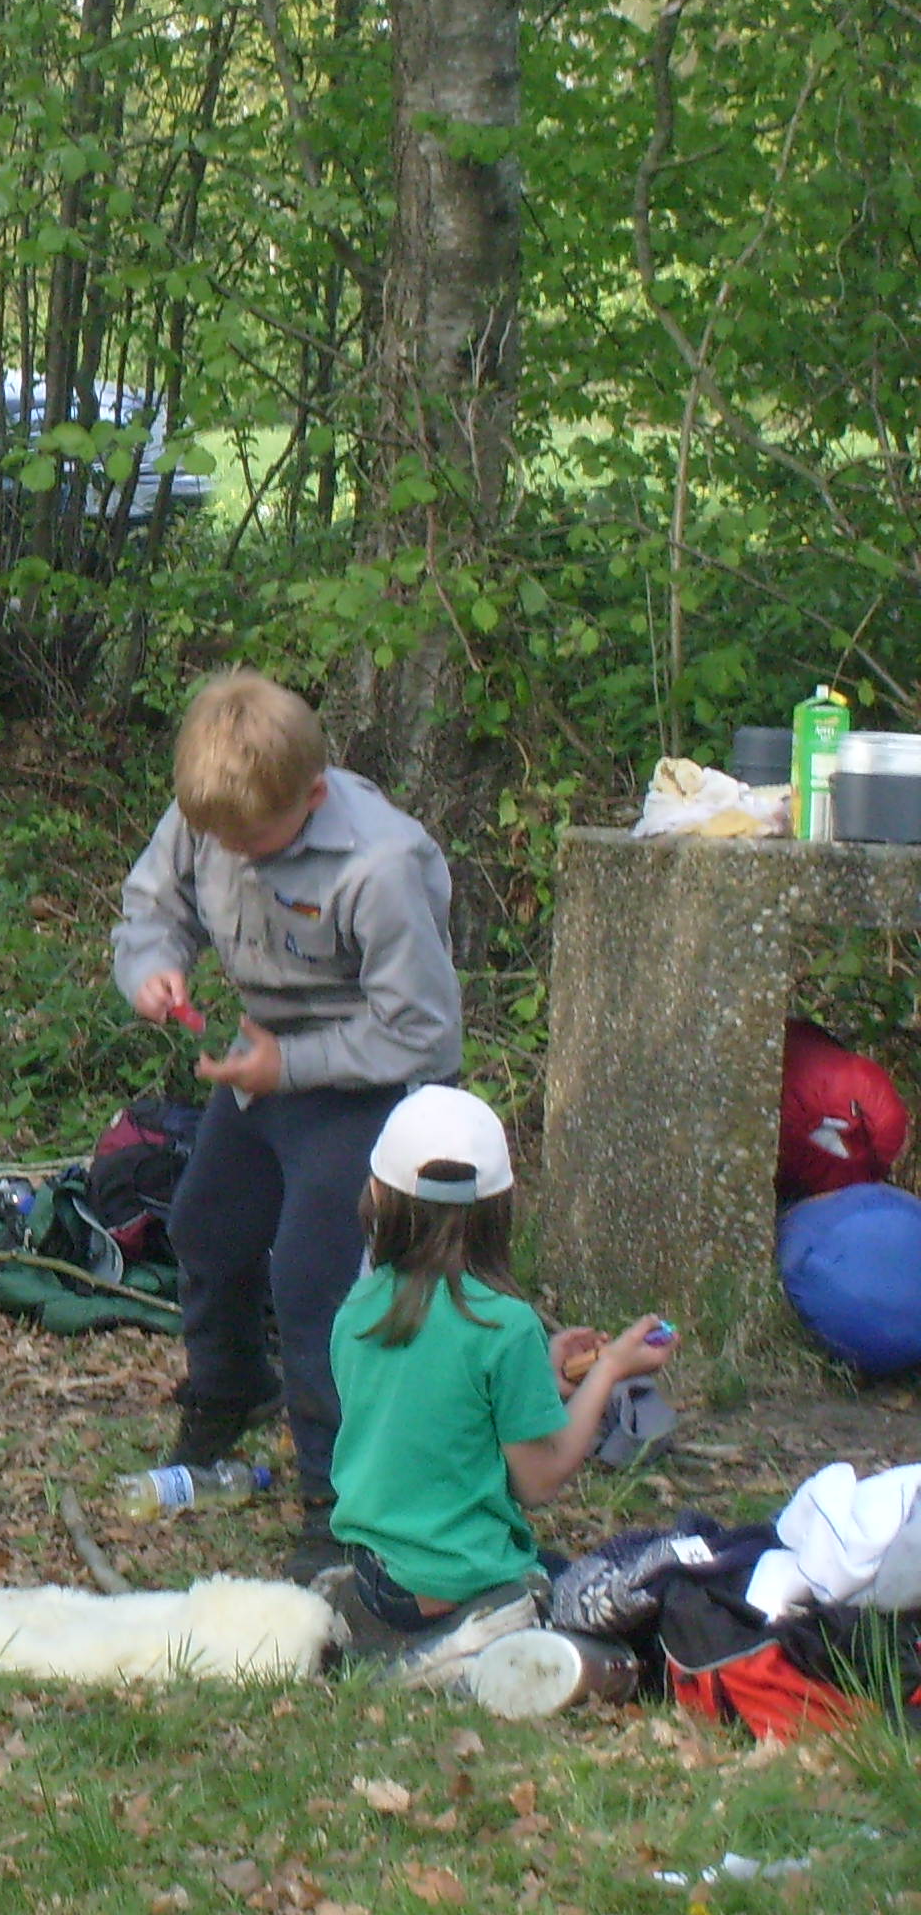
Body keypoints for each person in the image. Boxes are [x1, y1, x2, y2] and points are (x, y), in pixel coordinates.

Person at [109, 669, 462, 1581]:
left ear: (310, 796)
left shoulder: (381, 863)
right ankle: (230, 1393)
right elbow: (153, 907)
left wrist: (290, 1068)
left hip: (368, 1086)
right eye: (220, 838)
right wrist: (152, 969)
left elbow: (425, 1033)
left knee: (314, 1282)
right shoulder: (214, 810)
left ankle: (338, 1500)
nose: (234, 852)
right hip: (262, 1068)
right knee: (206, 1230)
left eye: (252, 840)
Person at [318, 1084, 678, 1671]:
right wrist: (609, 1371)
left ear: (378, 1194)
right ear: (501, 1208)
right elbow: (538, 1480)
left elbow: (434, 1411)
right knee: (615, 1600)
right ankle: (464, 1641)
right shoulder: (503, 1326)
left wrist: (539, 1376)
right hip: (460, 1578)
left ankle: (370, 1619)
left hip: (378, 1572)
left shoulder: (359, 1307)